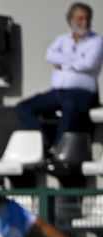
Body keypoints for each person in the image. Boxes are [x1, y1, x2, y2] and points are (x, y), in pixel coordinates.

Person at [14, 3, 103, 149]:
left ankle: (59, 149)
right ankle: (42, 144)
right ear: (70, 20)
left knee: (70, 107)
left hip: (82, 93)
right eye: (80, 18)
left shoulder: (97, 41)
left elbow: (89, 64)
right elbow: (49, 55)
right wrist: (76, 58)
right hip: (58, 92)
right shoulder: (62, 39)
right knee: (23, 108)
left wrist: (63, 63)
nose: (84, 22)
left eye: (87, 19)